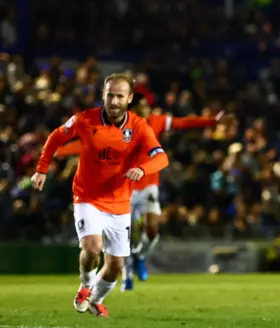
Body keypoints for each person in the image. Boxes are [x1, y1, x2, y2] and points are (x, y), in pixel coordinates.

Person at [56, 93, 228, 291]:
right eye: (143, 106)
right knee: (124, 236)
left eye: (148, 105)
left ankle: (139, 254)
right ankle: (127, 276)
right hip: (123, 188)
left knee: (152, 229)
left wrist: (213, 121)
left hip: (148, 185)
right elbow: (86, 145)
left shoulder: (155, 122)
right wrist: (58, 151)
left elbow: (184, 123)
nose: (147, 109)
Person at [31, 74, 169, 317]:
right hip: (87, 197)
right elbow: (55, 137)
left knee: (115, 265)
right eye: (110, 95)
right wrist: (42, 169)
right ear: (103, 94)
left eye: (119, 96)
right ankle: (85, 286)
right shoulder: (85, 119)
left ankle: (96, 299)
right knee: (93, 247)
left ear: (129, 99)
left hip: (119, 202)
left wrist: (142, 168)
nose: (114, 101)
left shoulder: (138, 126)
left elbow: (161, 157)